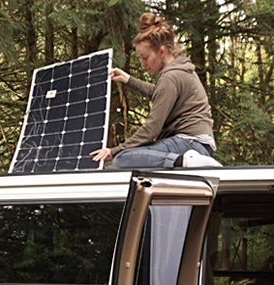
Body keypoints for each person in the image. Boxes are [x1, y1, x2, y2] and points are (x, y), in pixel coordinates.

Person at [89, 12, 222, 169]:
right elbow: (159, 94)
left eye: (145, 57)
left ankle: (187, 162)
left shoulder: (170, 77)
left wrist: (114, 151)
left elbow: (152, 128)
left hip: (189, 143)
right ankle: (185, 160)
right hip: (197, 143)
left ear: (161, 52)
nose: (142, 63)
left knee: (122, 159)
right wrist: (128, 80)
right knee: (122, 160)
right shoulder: (179, 70)